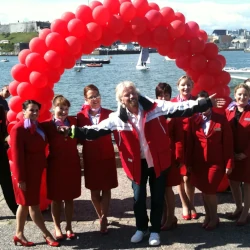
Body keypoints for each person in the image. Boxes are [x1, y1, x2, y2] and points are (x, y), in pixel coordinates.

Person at [62, 81, 225, 246]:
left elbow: (179, 108)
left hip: (157, 161)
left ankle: (155, 231)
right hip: (136, 164)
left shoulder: (154, 106)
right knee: (138, 199)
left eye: (133, 92)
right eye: (127, 94)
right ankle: (141, 228)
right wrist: (72, 131)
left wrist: (204, 103)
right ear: (121, 99)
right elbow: (95, 130)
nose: (131, 96)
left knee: (157, 198)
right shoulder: (117, 117)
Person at [10, 100, 59, 247]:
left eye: (37, 110)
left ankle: (18, 234)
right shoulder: (18, 129)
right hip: (25, 175)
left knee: (23, 205)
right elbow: (16, 156)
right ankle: (47, 234)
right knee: (33, 206)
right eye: (31, 110)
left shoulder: (38, 127)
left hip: (36, 172)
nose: (35, 113)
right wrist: (21, 178)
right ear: (24, 111)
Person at [186, 90, 234, 230]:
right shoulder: (193, 120)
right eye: (200, 104)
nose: (203, 106)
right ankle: (208, 216)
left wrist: (229, 163)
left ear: (209, 102)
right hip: (199, 163)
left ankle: (214, 217)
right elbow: (190, 143)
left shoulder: (221, 119)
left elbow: (228, 143)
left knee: (210, 191)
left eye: (205, 103)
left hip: (215, 163)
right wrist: (188, 163)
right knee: (204, 191)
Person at [77, 84, 117, 234]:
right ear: (86, 99)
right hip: (90, 157)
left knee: (106, 188)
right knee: (94, 191)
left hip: (106, 155)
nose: (95, 99)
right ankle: (101, 215)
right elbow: (77, 137)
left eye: (97, 95)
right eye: (91, 97)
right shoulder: (80, 116)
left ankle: (104, 217)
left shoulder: (110, 113)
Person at [41, 95, 81, 240]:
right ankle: (57, 227)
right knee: (56, 199)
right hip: (55, 166)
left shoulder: (74, 122)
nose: (64, 111)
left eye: (66, 108)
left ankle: (69, 226)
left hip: (72, 164)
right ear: (53, 108)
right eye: (60, 108)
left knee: (70, 198)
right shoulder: (46, 126)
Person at [155, 83, 182, 230]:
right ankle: (167, 216)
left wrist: (179, 157)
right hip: (158, 156)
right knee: (160, 188)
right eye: (160, 95)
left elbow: (179, 137)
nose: (163, 97)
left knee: (167, 188)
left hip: (171, 156)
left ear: (170, 96)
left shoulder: (174, 112)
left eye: (166, 94)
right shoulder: (153, 112)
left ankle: (170, 218)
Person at [171, 75, 197, 220]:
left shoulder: (197, 102)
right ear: (178, 87)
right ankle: (185, 204)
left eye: (188, 85)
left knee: (189, 177)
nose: (186, 88)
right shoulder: (172, 103)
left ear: (192, 87)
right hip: (178, 144)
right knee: (180, 177)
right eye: (183, 85)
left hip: (193, 143)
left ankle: (191, 203)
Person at [225, 83, 250, 226]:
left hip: (247, 156)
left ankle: (245, 212)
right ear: (235, 96)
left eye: (245, 94)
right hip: (232, 155)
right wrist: (230, 153)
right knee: (233, 182)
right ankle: (239, 208)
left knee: (247, 185)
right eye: (240, 94)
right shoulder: (229, 111)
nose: (242, 97)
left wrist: (246, 153)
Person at [0, 104, 18, 215]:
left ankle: (15, 209)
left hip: (0, 149)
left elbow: (3, 130)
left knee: (6, 180)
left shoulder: (0, 108)